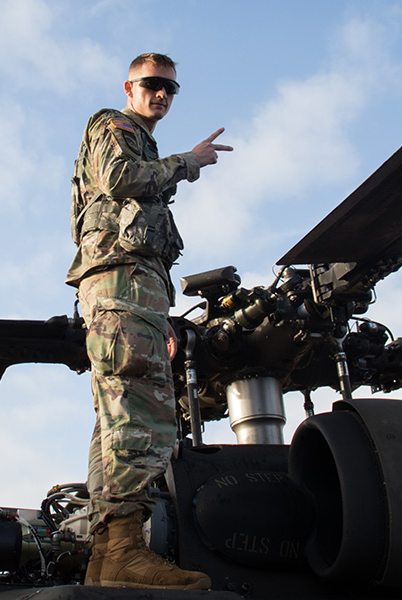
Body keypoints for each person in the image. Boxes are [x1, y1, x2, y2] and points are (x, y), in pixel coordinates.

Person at [65, 53, 232, 589]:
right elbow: (117, 179)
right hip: (120, 285)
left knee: (117, 418)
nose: (161, 95)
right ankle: (124, 551)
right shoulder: (113, 124)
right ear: (129, 87)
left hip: (133, 289)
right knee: (139, 408)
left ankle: (107, 559)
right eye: (152, 84)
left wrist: (160, 320)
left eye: (170, 89)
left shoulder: (140, 139)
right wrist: (190, 161)